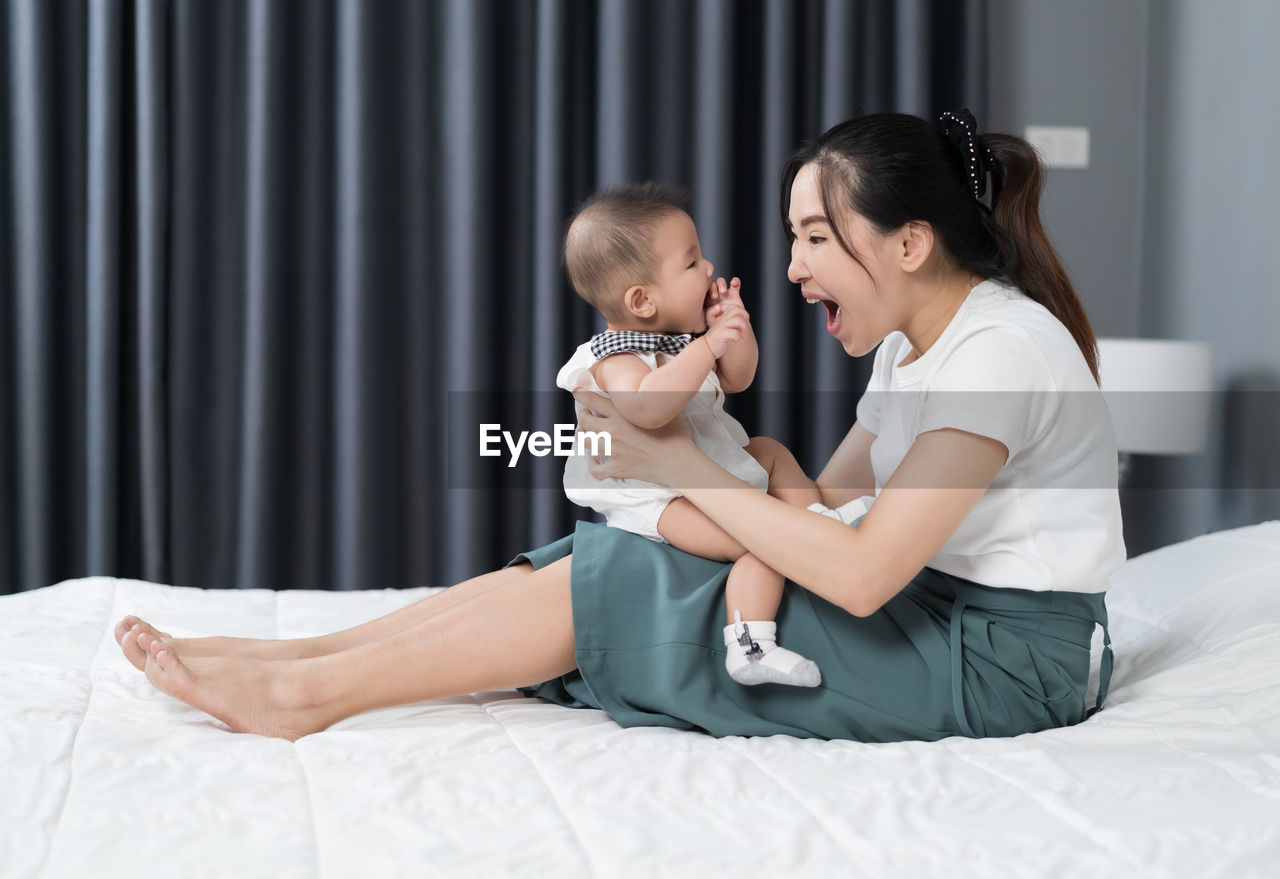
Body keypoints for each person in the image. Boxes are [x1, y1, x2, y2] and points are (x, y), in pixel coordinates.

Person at [115, 109, 1124, 744]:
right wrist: (676, 485)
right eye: (791, 239)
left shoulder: (995, 356)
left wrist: (676, 461)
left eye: (815, 237)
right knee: (613, 540)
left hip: (1001, 661)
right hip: (935, 613)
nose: (789, 269)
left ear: (909, 242)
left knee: (643, 564)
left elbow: (858, 573)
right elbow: (814, 509)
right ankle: (301, 663)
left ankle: (307, 698)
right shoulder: (915, 348)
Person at [558, 183, 821, 687]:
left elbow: (737, 379)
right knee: (757, 543)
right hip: (660, 499)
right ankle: (749, 646)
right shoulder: (614, 358)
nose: (708, 268)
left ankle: (820, 526)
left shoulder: (679, 346)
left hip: (703, 476)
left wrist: (734, 331)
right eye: (690, 262)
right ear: (641, 300)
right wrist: (706, 348)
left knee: (769, 451)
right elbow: (647, 408)